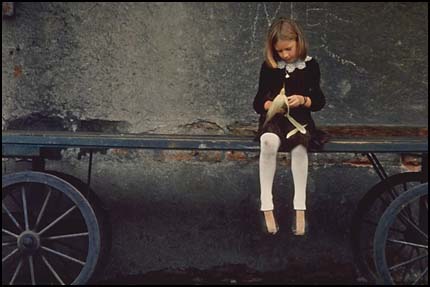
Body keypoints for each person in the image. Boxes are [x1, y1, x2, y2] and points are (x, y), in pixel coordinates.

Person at [253, 18, 327, 235]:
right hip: (275, 120)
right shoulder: (270, 67)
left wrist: (303, 100)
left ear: (298, 41)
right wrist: (273, 104)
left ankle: (300, 207)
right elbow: (257, 102)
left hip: (299, 122)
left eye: (288, 49)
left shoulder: (310, 66)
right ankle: (266, 204)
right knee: (267, 142)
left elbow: (319, 100)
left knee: (299, 149)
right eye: (280, 51)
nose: (285, 55)